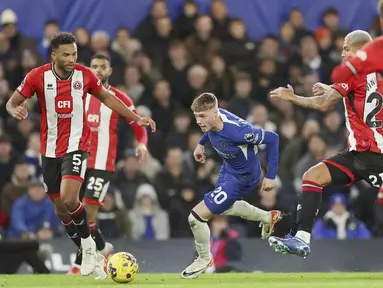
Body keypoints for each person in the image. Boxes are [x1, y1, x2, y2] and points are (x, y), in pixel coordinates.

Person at [5, 32, 156, 278]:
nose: (71, 58)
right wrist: (14, 109)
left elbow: (108, 97)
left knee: (69, 197)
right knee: (60, 210)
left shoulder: (85, 76)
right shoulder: (37, 76)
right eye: (65, 54)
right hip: (50, 150)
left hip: (78, 146)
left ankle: (87, 246)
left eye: (74, 53)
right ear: (54, 55)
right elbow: (11, 102)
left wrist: (135, 117)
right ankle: (92, 250)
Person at [267, 30, 379, 258]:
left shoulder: (352, 73)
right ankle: (302, 238)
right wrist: (333, 90)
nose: (342, 52)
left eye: (347, 48)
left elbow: (323, 104)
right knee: (312, 176)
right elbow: (361, 96)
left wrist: (293, 98)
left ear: (361, 51)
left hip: (376, 157)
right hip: (358, 154)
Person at [181, 92, 282, 279]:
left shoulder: (239, 132)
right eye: (196, 117)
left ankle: (204, 259)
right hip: (228, 169)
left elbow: (273, 138)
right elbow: (210, 130)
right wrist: (201, 144)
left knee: (196, 217)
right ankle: (267, 217)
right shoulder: (216, 118)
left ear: (214, 112)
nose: (198, 121)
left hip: (244, 177)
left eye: (202, 116)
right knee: (220, 210)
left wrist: (270, 176)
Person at [68, 53, 149, 274]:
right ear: (88, 69)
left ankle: (80, 262)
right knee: (74, 212)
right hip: (78, 159)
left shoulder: (119, 97)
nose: (98, 70)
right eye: (94, 66)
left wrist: (141, 144)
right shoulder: (79, 95)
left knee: (88, 212)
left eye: (103, 67)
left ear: (110, 71)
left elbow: (137, 123)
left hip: (103, 163)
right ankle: (103, 248)